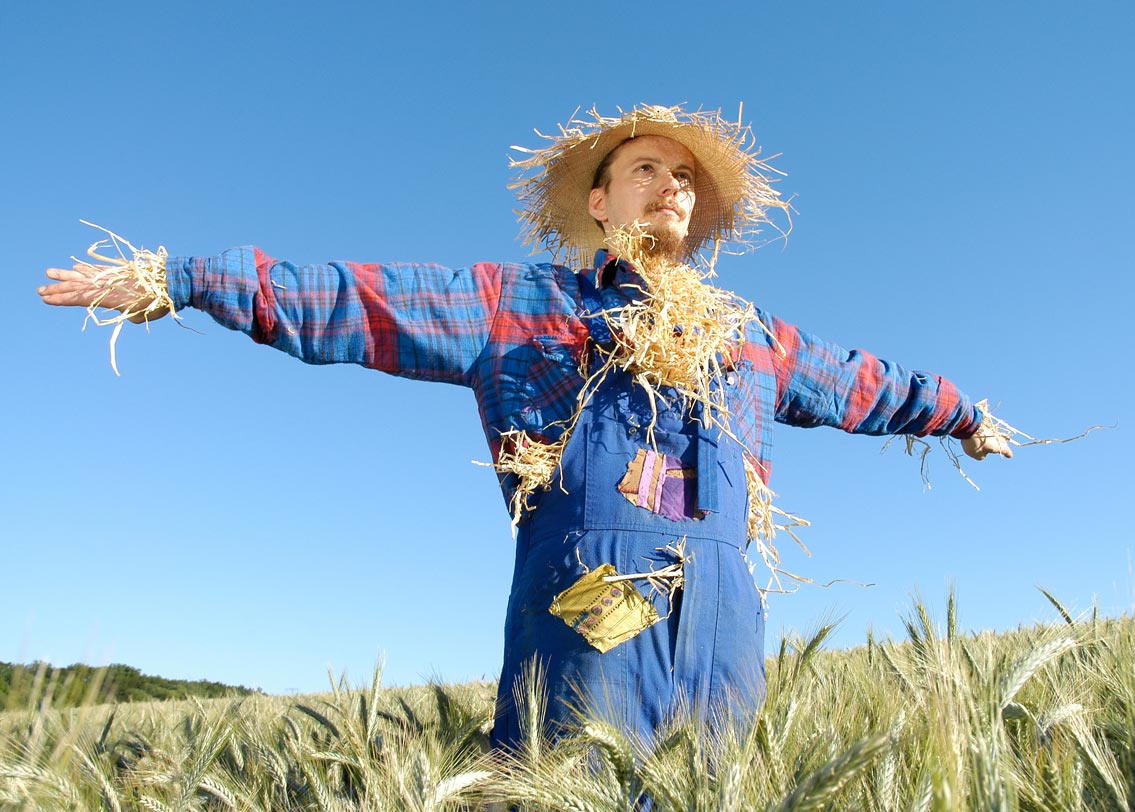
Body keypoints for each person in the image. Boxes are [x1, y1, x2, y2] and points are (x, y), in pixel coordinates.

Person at [37, 104, 1011, 750]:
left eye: (682, 175)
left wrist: (963, 414)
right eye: (642, 168)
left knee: (727, 781)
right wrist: (189, 278)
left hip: (727, 613)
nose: (668, 183)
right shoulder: (526, 306)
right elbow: (359, 299)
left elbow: (871, 385)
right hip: (588, 597)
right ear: (599, 201)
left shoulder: (752, 339)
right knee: (568, 778)